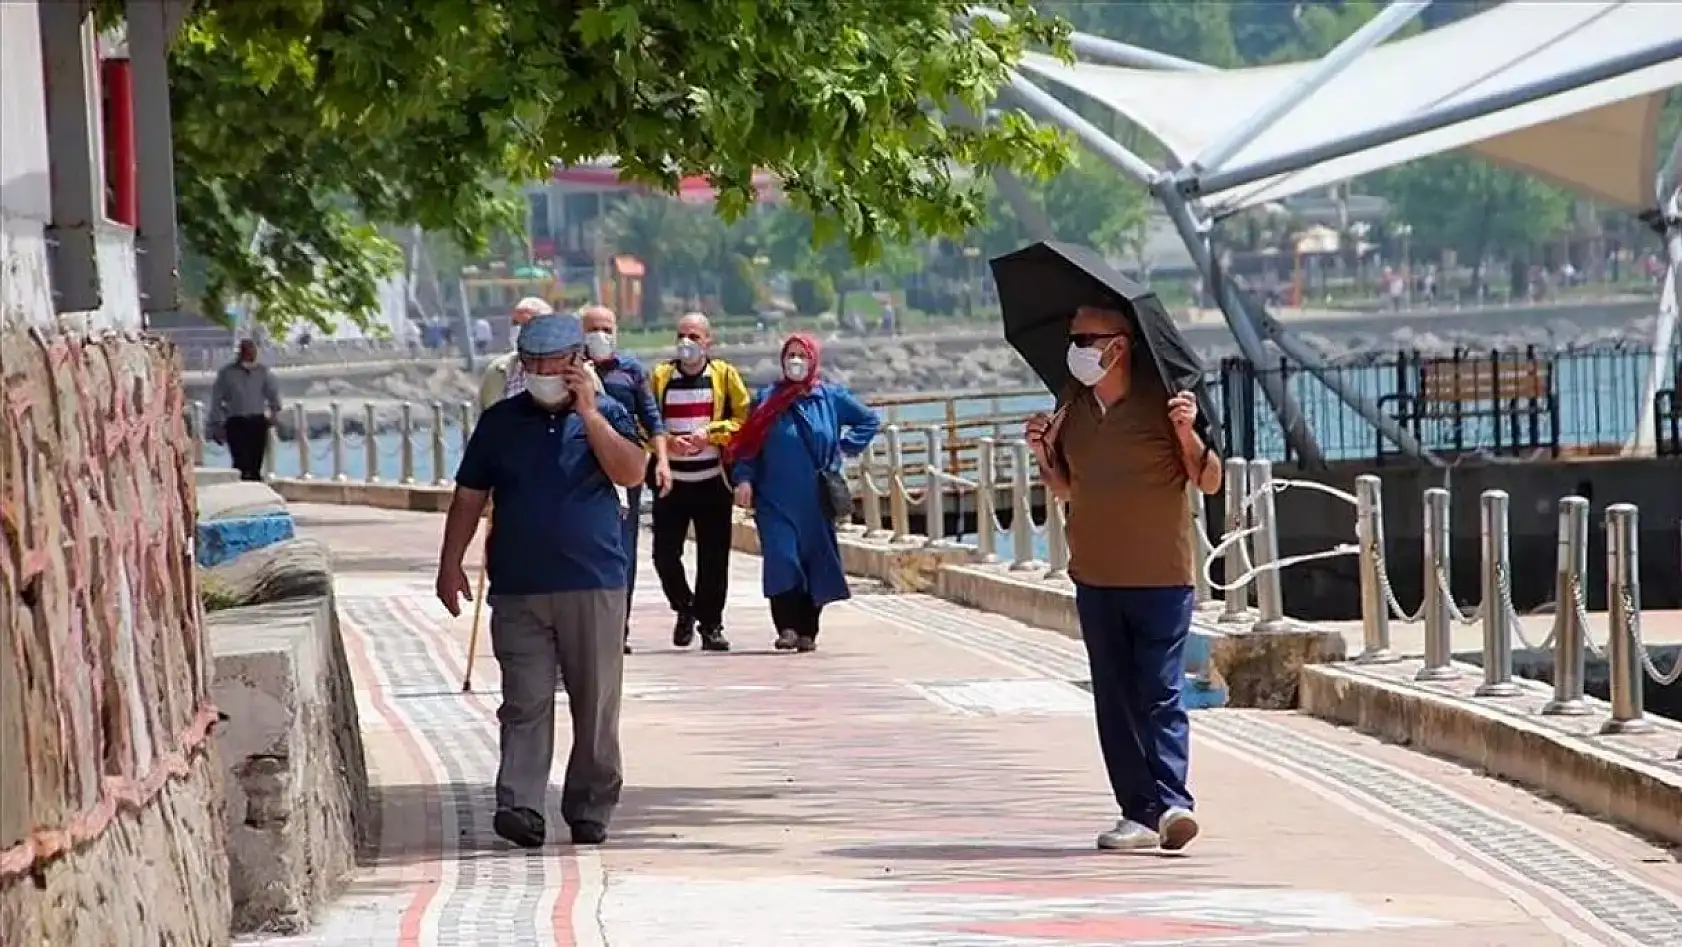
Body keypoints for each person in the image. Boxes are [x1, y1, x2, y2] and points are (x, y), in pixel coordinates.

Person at [434, 313, 647, 849]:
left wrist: (590, 414)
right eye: (533, 365)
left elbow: (630, 472)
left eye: (554, 365)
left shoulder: (610, 414)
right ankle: (521, 804)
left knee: (595, 702)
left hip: (593, 583)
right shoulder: (500, 423)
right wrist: (450, 563)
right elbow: (469, 497)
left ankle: (591, 805)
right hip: (518, 587)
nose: (544, 375)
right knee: (523, 701)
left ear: (578, 363)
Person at [1025, 304, 1221, 854]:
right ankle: (1138, 812)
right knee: (1114, 698)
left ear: (1119, 345)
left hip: (1161, 577)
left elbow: (1208, 479)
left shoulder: (1167, 402)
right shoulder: (1071, 406)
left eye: (1086, 339)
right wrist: (1042, 453)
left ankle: (1173, 803)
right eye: (1073, 339)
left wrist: (1185, 432)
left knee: (1159, 691)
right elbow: (1065, 486)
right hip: (1096, 576)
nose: (1076, 349)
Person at [728, 334, 879, 652]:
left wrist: (844, 447)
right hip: (774, 498)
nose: (795, 361)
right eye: (790, 355)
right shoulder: (767, 399)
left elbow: (869, 420)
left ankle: (808, 629)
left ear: (813, 361)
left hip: (816, 500)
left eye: (802, 355)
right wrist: (744, 479)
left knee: (815, 562)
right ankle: (786, 627)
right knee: (782, 559)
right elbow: (749, 443)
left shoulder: (830, 398)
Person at [649, 313, 751, 651]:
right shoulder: (661, 377)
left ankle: (711, 625)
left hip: (712, 481)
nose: (686, 343)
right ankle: (684, 606)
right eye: (681, 335)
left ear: (708, 341)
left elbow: (743, 419)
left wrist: (712, 434)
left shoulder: (724, 375)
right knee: (664, 555)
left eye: (694, 336)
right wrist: (667, 442)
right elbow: (645, 419)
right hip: (672, 482)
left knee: (713, 557)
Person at [580, 305, 670, 654]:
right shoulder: (573, 369)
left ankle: (620, 627)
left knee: (623, 548)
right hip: (583, 472)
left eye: (606, 328)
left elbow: (651, 418)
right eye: (593, 329)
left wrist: (662, 462)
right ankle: (589, 625)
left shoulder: (630, 370)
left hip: (624, 471)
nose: (600, 335)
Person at [208, 339, 282, 481]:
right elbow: (217, 399)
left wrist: (274, 413)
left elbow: (273, 394)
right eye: (247, 352)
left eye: (253, 352)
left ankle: (255, 482)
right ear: (241, 353)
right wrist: (216, 424)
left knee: (255, 461)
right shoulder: (227, 373)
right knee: (240, 461)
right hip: (236, 421)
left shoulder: (263, 372)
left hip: (257, 420)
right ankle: (243, 483)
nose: (251, 355)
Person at [478, 297, 553, 410]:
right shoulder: (497, 371)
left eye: (526, 324)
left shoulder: (566, 372)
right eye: (515, 323)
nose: (518, 329)